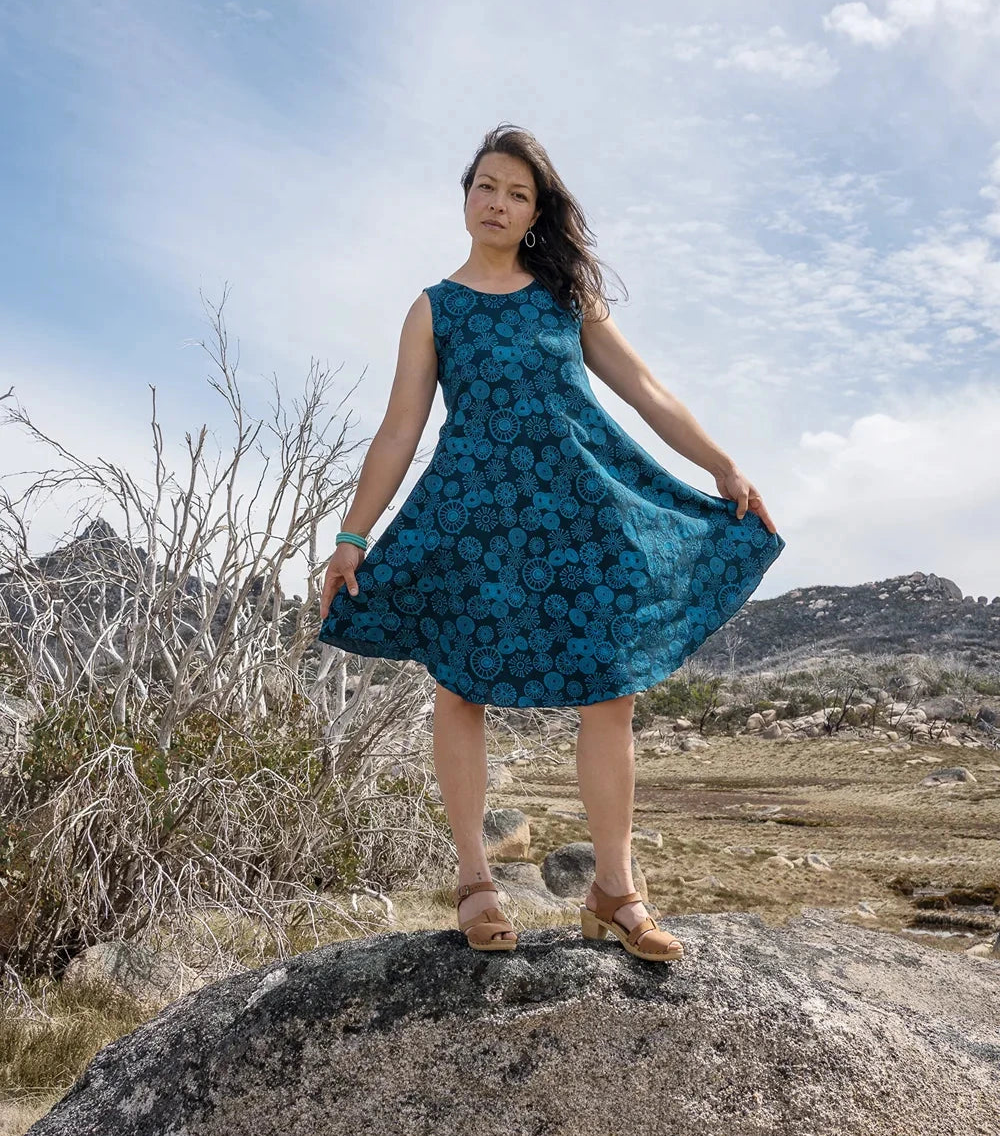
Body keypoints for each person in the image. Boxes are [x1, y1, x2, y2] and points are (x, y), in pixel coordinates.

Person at [318, 122, 785, 959]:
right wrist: (354, 535)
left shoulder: (565, 296)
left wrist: (722, 465)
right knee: (461, 688)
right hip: (475, 521)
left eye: (517, 193)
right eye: (486, 186)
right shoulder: (435, 309)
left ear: (536, 213)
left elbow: (644, 388)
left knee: (611, 690)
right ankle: (476, 882)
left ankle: (614, 889)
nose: (498, 203)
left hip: (580, 513)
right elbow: (398, 432)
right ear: (465, 196)